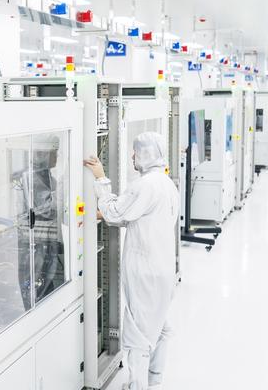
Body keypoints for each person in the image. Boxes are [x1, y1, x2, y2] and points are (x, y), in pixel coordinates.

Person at [84, 132, 179, 390]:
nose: (133, 156)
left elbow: (116, 212)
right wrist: (105, 214)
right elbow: (142, 217)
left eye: (136, 152)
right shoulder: (166, 184)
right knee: (160, 325)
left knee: (138, 334)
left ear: (146, 153)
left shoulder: (144, 186)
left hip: (145, 271)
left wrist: (100, 178)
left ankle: (137, 386)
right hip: (163, 270)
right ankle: (154, 378)